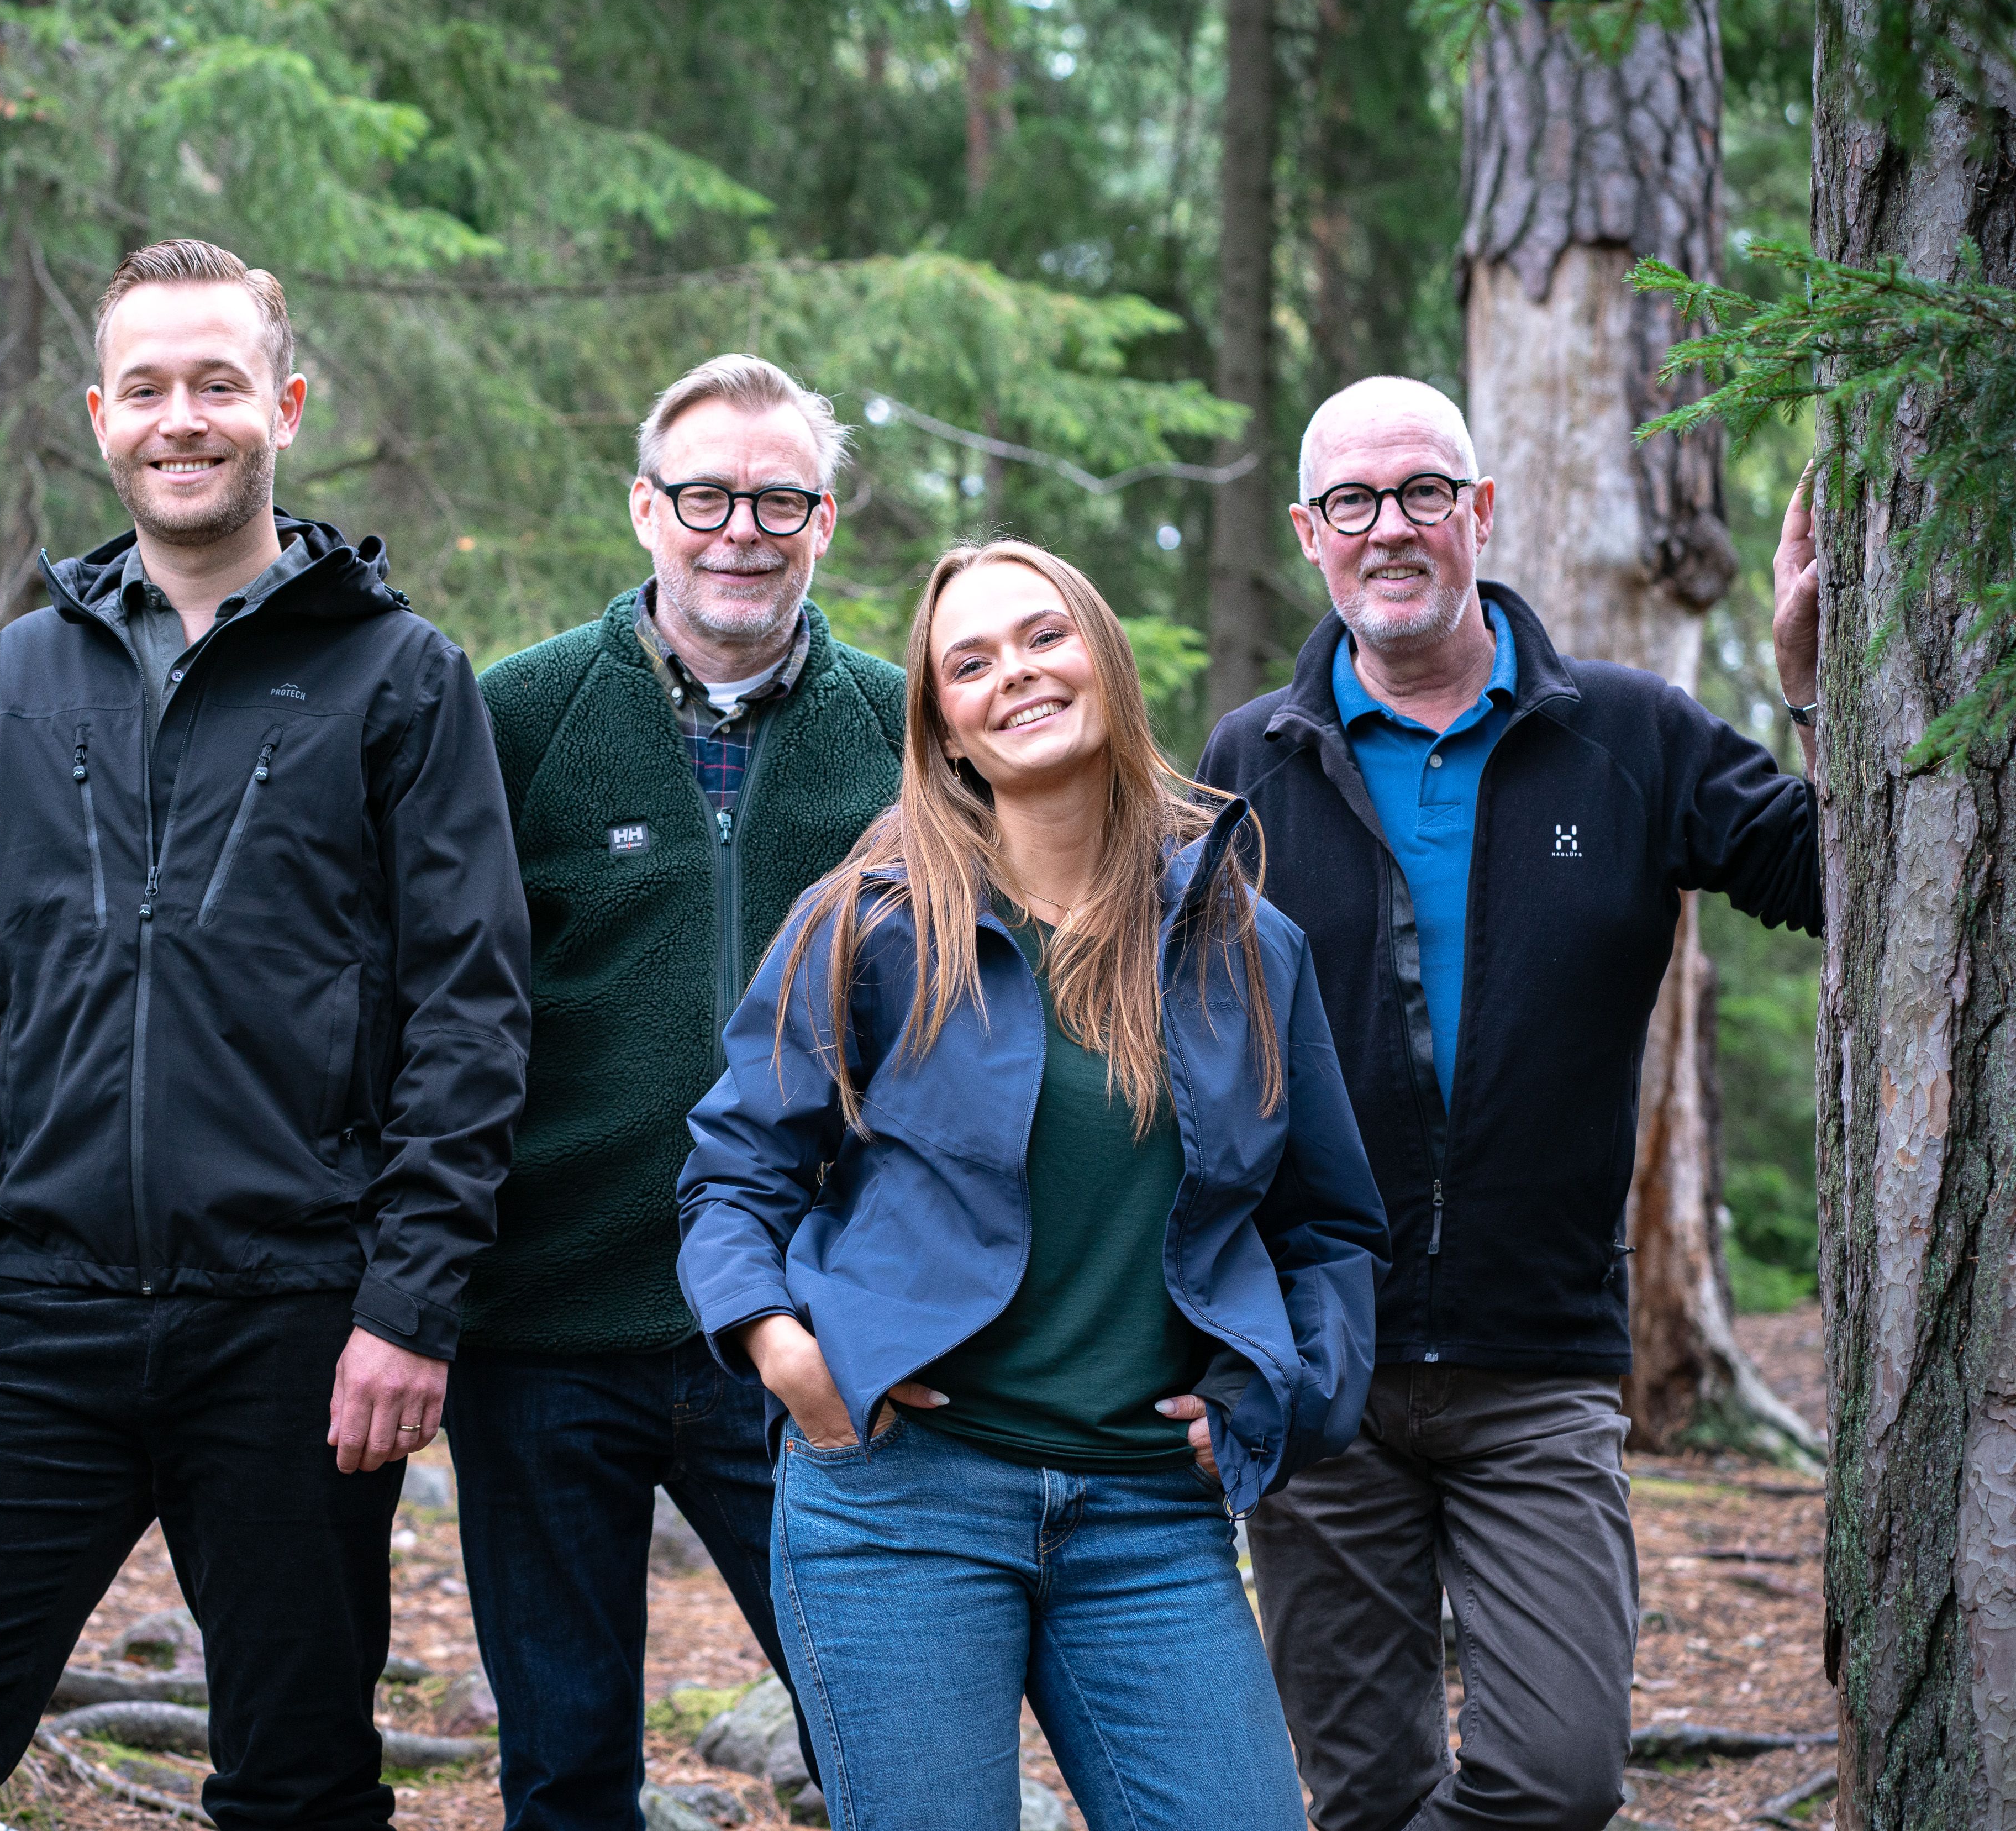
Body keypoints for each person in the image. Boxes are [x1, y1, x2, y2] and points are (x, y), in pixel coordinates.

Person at [0, 239, 533, 1831]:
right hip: (35, 1313)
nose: (180, 418)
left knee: (299, 1788)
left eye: (217, 383)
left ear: (285, 404)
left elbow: (471, 1015)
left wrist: (409, 1304)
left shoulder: (400, 678)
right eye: (145, 388)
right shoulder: (21, 674)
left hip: (296, 1325)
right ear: (99, 416)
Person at [676, 539, 1389, 1831]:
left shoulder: (1244, 943)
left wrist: (1277, 1398)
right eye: (970, 662)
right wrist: (782, 1350)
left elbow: (1327, 1227)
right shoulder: (866, 923)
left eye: (1043, 636)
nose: (1014, 673)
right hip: (901, 1501)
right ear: (943, 728)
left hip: (1149, 1511)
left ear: (1102, 658)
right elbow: (733, 1171)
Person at [1196, 375, 1824, 1831]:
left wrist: (1805, 689)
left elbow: (1836, 875)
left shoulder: (1630, 732)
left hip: (1538, 1364)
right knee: (1365, 1794)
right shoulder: (1248, 758)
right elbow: (1190, 1055)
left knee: (1556, 1775)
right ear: (1307, 531)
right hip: (1321, 1363)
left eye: (1423, 490)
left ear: (1478, 510)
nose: (1390, 526)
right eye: (1353, 500)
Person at [449, 354, 904, 1830]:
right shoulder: (516, 716)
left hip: (809, 1326)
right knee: (565, 1764)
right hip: (545, 1326)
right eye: (705, 496)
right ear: (646, 507)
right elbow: (433, 1006)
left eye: (779, 501)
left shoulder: (906, 729)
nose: (739, 531)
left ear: (823, 521)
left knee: (882, 1733)